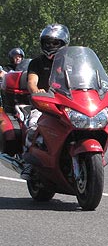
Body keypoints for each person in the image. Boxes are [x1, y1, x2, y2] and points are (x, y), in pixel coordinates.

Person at [21, 24, 70, 180]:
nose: (50, 46)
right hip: (43, 104)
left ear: (64, 43)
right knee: (33, 125)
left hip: (66, 103)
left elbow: (84, 78)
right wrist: (36, 91)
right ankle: (28, 162)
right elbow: (31, 81)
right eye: (47, 42)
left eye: (55, 43)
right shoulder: (37, 63)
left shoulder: (70, 62)